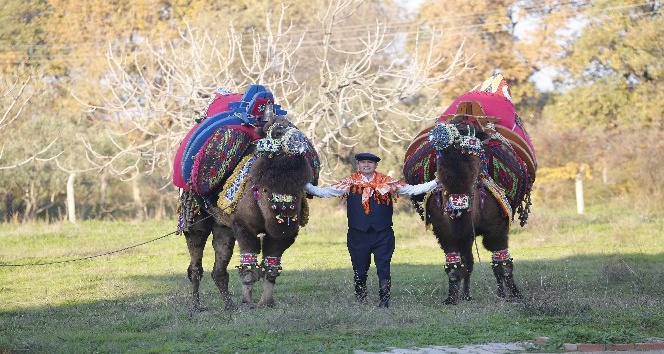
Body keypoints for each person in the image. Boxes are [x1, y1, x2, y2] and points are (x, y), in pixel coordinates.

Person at [305, 152, 438, 308]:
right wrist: (302, 184)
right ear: (358, 165)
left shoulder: (387, 182)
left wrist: (436, 182)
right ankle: (361, 299)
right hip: (357, 235)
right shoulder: (349, 183)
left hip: (383, 234)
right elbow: (323, 192)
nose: (366, 165)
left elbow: (412, 190)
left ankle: (384, 302)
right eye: (363, 163)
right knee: (359, 270)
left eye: (370, 162)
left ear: (376, 165)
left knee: (384, 268)